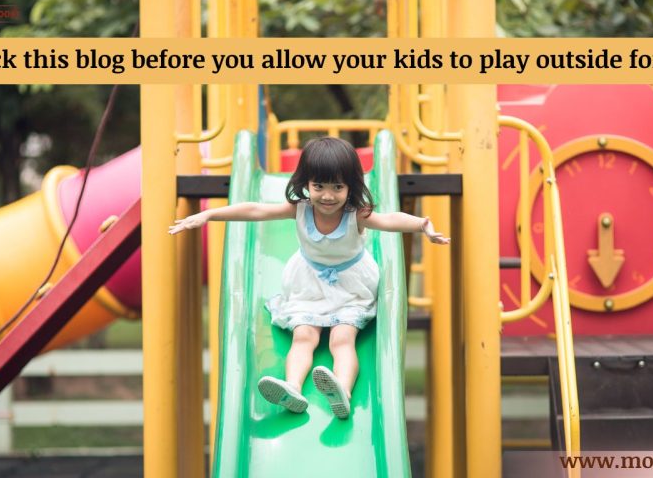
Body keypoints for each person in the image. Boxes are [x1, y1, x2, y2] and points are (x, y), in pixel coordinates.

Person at [169, 137, 449, 419]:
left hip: (351, 287)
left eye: (337, 187)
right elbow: (255, 210)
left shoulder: (356, 215)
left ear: (351, 186)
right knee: (303, 336)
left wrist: (422, 225)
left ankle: (342, 390)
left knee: (342, 339)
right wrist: (209, 214)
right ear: (306, 183)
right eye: (319, 186)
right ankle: (292, 388)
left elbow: (390, 220)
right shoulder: (300, 209)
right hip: (309, 284)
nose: (328, 196)